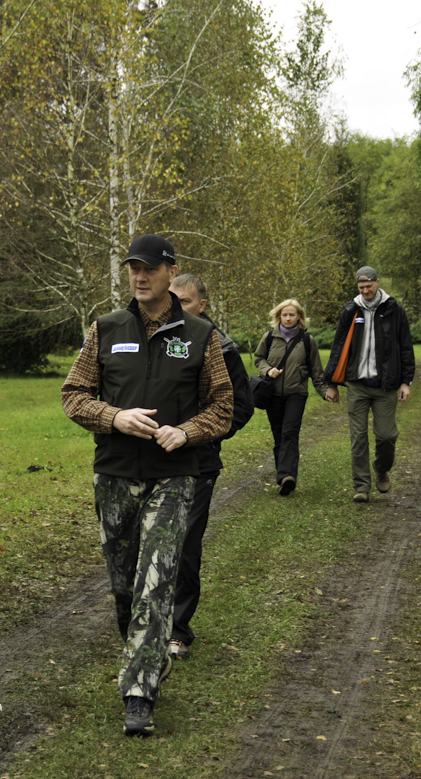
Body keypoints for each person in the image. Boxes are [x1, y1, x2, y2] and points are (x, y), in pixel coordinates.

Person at [61, 235, 233, 737]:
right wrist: (114, 416)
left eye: (150, 268)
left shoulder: (202, 335)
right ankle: (147, 653)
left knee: (156, 581)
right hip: (114, 472)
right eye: (133, 268)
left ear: (170, 271)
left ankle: (139, 694)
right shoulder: (105, 329)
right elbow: (74, 395)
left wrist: (188, 431)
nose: (140, 276)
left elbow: (222, 405)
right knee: (123, 585)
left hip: (173, 477)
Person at [166, 273, 254, 662]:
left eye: (183, 301)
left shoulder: (221, 346)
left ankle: (178, 630)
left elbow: (241, 406)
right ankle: (146, 621)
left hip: (198, 462)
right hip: (150, 459)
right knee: (144, 544)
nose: (175, 307)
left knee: (185, 544)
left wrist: (208, 435)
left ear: (202, 305)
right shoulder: (156, 340)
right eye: (172, 299)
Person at [323, 266, 415, 503]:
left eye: (369, 286)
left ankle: (381, 469)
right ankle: (361, 486)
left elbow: (405, 345)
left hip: (386, 385)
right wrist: (331, 383)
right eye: (361, 287)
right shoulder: (350, 309)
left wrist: (406, 381)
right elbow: (338, 346)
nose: (365, 290)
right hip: (357, 384)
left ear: (377, 282)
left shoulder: (394, 309)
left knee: (386, 436)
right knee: (358, 437)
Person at [253, 298, 336, 497]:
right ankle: (283, 479)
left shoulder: (307, 340)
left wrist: (324, 391)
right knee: (278, 433)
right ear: (279, 316)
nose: (288, 318)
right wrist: (268, 370)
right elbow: (258, 359)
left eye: (292, 315)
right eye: (285, 315)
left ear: (299, 317)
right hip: (273, 394)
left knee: (290, 432)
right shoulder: (270, 337)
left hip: (296, 394)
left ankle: (287, 476)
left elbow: (316, 371)